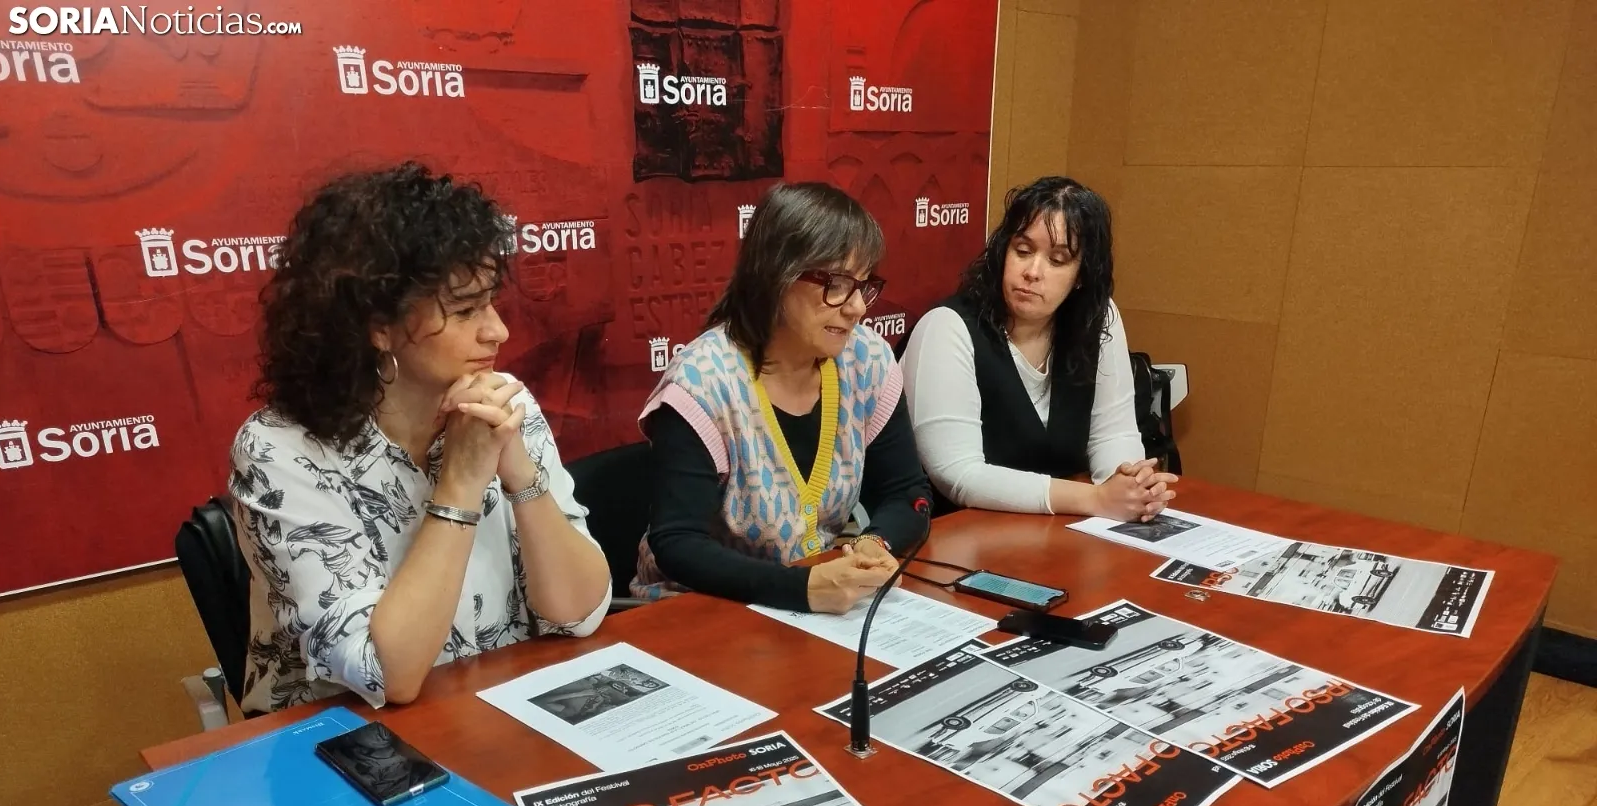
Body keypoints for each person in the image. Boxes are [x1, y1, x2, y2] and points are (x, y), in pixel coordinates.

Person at [230, 163, 611, 714]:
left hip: (494, 709)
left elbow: (579, 613)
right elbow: (389, 676)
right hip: (347, 736)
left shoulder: (504, 401)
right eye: (465, 310)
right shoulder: (280, 450)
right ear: (378, 327)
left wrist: (520, 474)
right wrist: (460, 484)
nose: (498, 331)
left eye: (490, 303)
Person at [631, 182, 932, 613]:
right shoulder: (703, 382)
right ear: (776, 275)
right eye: (837, 284)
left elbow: (906, 492)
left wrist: (874, 542)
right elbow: (678, 544)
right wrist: (802, 588)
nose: (857, 308)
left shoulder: (866, 360)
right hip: (696, 609)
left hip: (810, 602)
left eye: (864, 285)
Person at [901, 176, 1178, 520]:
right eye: (1023, 250)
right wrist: (1095, 499)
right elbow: (959, 475)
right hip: (957, 528)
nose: (1032, 272)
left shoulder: (1098, 317)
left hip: (1056, 525)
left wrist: (1131, 487)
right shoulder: (946, 327)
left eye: (1057, 260)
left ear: (1081, 275)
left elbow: (1113, 433)